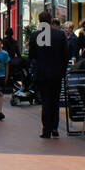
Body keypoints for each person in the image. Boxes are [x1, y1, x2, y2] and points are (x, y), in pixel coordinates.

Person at [28, 10, 69, 139]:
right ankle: (55, 127)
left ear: (39, 21)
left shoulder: (35, 35)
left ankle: (46, 129)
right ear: (51, 20)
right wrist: (62, 70)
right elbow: (66, 55)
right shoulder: (60, 35)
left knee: (45, 101)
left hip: (42, 74)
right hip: (56, 74)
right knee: (55, 100)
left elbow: (32, 56)